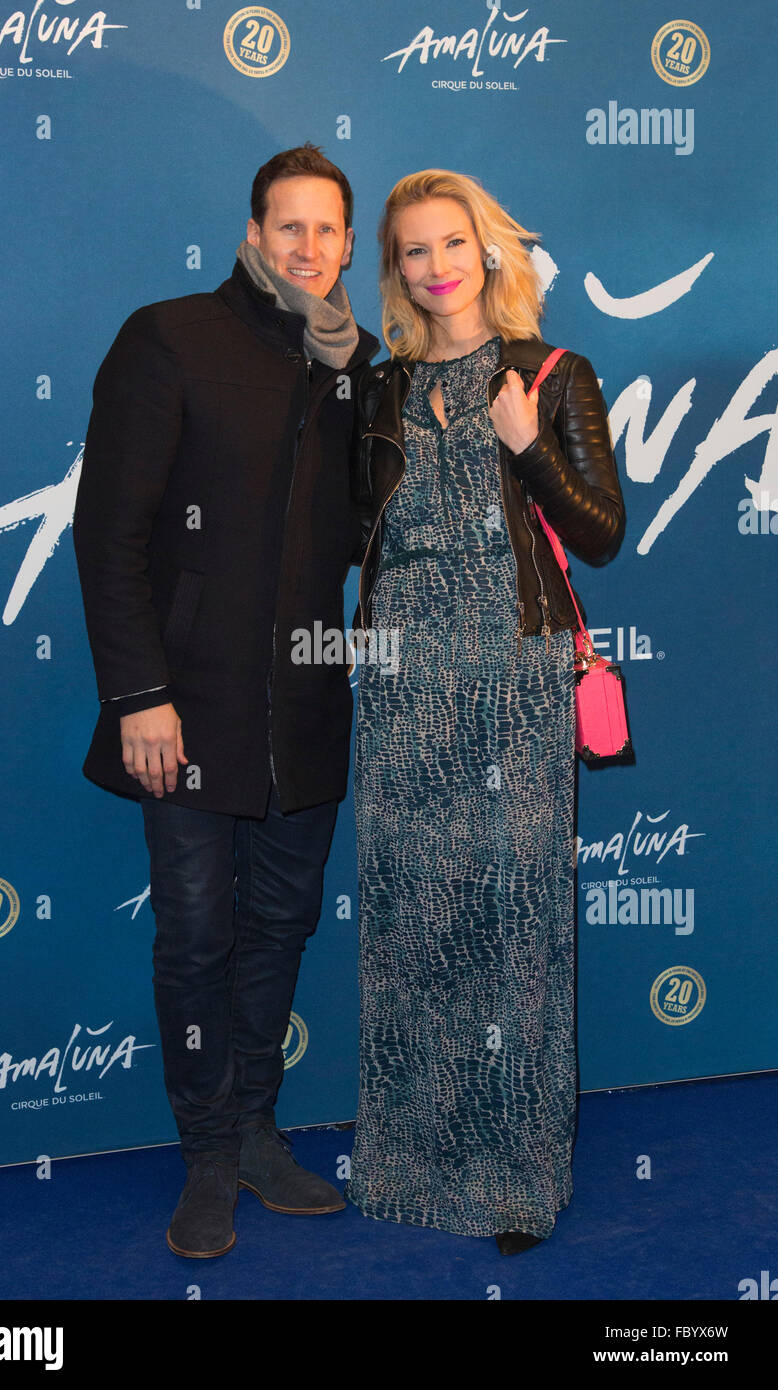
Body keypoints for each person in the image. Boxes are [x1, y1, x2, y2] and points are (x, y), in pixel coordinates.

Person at [73, 144, 378, 1259]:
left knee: (280, 930)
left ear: (349, 246)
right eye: (286, 227)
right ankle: (205, 1150)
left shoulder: (355, 369)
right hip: (184, 709)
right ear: (253, 234)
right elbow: (106, 537)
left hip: (303, 702)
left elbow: (360, 536)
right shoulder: (169, 338)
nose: (307, 248)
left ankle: (254, 1128)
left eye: (327, 230)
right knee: (197, 937)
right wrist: (139, 695)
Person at [345, 170, 624, 1254]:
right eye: (411, 250)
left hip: (515, 663)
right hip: (408, 668)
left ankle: (514, 1178)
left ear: (488, 250)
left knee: (512, 923)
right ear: (396, 270)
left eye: (450, 242)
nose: (434, 265)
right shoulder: (375, 389)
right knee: (415, 923)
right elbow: (347, 531)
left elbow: (596, 531)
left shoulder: (553, 374)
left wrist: (527, 442)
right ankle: (408, 1165)